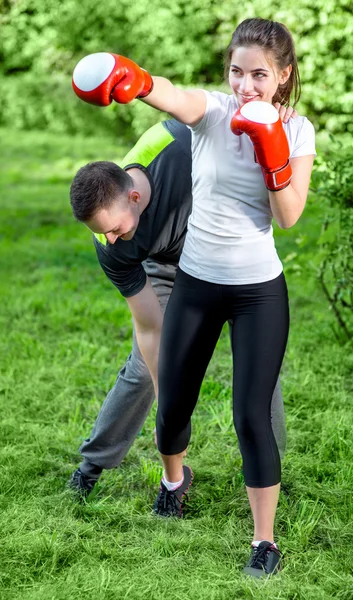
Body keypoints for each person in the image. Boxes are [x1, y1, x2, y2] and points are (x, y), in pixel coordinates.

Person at [71, 17, 316, 577]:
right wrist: (131, 78)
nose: (245, 86)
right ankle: (173, 482)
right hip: (195, 282)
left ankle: (265, 541)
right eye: (236, 71)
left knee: (251, 411)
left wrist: (273, 152)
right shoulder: (211, 112)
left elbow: (290, 215)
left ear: (283, 75)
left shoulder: (298, 131)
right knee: (170, 402)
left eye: (258, 75)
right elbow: (170, 95)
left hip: (258, 289)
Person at [68, 113, 295, 499]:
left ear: (134, 197)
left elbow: (233, 116)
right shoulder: (112, 245)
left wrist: (273, 118)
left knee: (258, 363)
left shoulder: (181, 144)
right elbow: (152, 329)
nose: (110, 237)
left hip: (228, 253)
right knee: (143, 368)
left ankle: (268, 469)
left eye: (115, 228)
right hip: (167, 267)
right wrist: (168, 411)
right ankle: (93, 465)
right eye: (100, 231)